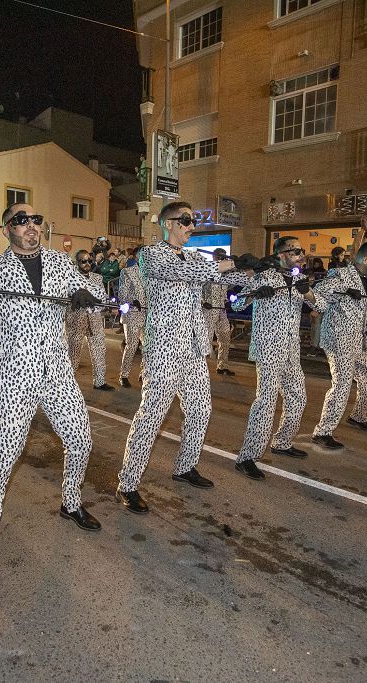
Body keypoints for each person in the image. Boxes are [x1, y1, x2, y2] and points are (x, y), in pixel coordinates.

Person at [0, 202, 103, 573]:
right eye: (21, 221)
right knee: (6, 452)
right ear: (7, 228)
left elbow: (94, 294)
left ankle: (70, 503)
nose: (31, 226)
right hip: (15, 372)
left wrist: (87, 296)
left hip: (57, 370)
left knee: (81, 440)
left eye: (36, 220)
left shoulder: (59, 262)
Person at [116, 201, 239, 514]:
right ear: (167, 223)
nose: (191, 226)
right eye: (185, 220)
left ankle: (185, 466)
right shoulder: (151, 255)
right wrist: (225, 265)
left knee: (201, 410)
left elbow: (221, 278)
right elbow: (181, 271)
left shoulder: (196, 257)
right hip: (164, 349)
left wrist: (258, 271)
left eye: (193, 221)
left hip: (194, 347)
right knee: (151, 416)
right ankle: (127, 484)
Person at [231, 236, 314, 480]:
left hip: (291, 348)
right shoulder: (263, 275)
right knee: (266, 401)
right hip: (268, 347)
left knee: (298, 396)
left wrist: (308, 294)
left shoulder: (299, 279)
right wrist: (255, 295)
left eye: (302, 251)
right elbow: (235, 304)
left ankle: (283, 442)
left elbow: (321, 305)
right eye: (296, 250)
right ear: (282, 254)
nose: (301, 254)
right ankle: (247, 457)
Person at [310, 243, 367, 451]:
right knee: (342, 384)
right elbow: (318, 295)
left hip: (358, 337)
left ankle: (358, 416)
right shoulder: (340, 274)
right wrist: (343, 290)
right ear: (365, 260)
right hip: (339, 336)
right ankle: (323, 432)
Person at [65, 249, 112, 391]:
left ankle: (100, 381)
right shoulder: (70, 277)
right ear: (77, 262)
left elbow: (102, 297)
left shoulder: (97, 278)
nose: (87, 264)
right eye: (83, 261)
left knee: (99, 350)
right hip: (76, 320)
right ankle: (67, 383)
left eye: (89, 261)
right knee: (73, 353)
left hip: (95, 320)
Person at [202, 247, 239, 376]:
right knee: (205, 340)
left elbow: (232, 285)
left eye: (224, 256)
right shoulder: (207, 270)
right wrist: (202, 301)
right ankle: (200, 368)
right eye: (220, 256)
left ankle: (222, 365)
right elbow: (196, 288)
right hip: (209, 309)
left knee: (225, 337)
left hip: (221, 309)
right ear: (214, 257)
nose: (222, 258)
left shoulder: (226, 273)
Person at [114, 245, 146, 387]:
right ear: (136, 256)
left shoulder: (152, 274)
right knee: (132, 345)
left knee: (149, 347)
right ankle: (124, 375)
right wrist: (132, 301)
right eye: (142, 254)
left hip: (148, 315)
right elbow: (122, 293)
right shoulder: (127, 272)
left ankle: (144, 373)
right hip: (132, 314)